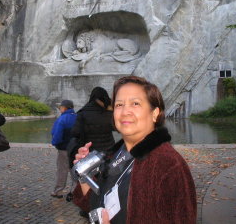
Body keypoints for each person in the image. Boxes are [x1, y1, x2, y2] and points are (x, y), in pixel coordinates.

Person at [72, 76, 197, 224]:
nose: (125, 111)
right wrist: (85, 174)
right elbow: (93, 203)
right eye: (119, 105)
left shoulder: (168, 164)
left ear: (155, 113)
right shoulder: (115, 155)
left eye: (135, 103)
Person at [71, 86, 115, 153]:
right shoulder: (108, 113)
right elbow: (116, 128)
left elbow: (75, 132)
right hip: (109, 149)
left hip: (90, 151)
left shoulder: (82, 113)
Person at [51, 99, 77, 199]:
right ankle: (75, 191)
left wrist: (55, 143)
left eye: (61, 107)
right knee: (74, 170)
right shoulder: (77, 117)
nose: (60, 109)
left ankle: (58, 191)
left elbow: (57, 134)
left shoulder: (62, 119)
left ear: (65, 108)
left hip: (63, 148)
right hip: (75, 149)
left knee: (62, 170)